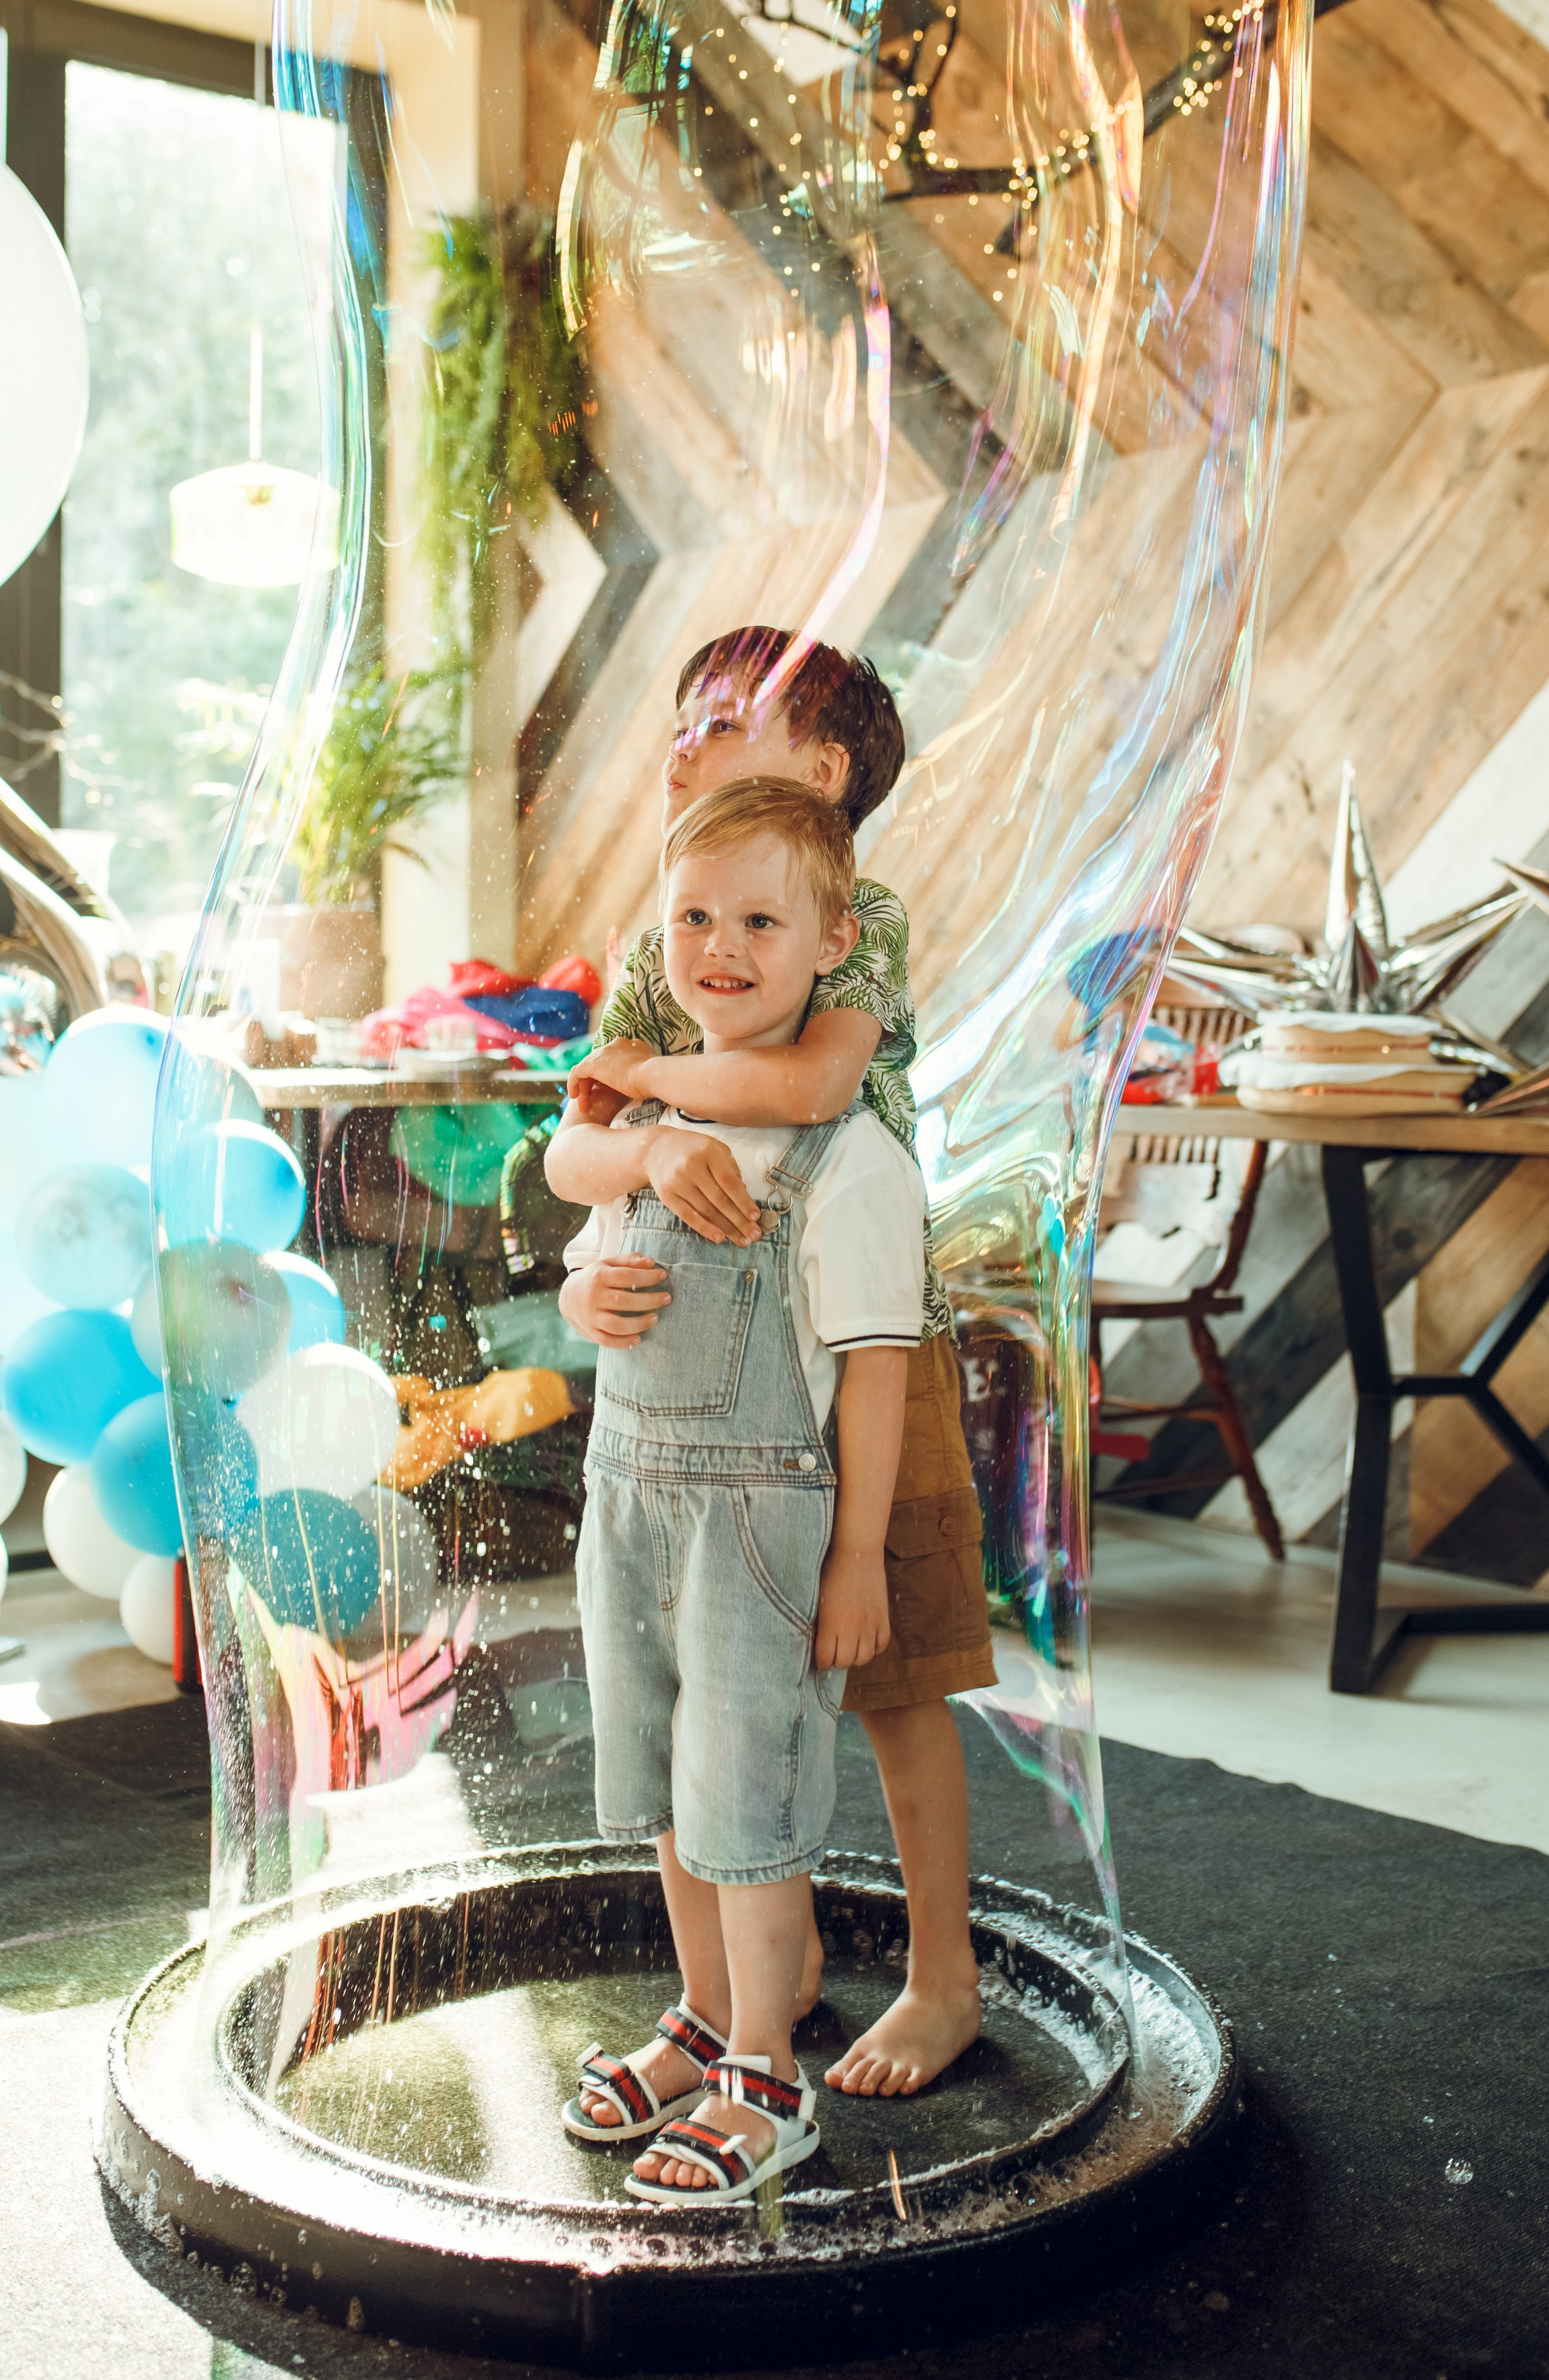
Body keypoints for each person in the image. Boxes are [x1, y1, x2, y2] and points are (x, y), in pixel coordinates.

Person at [548, 625, 997, 2108]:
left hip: (864, 1344)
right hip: (695, 1374)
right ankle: (756, 1986)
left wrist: (649, 1090)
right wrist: (640, 1151)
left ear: (819, 769)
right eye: (679, 718)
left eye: (720, 719)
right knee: (705, 1697)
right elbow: (570, 1152)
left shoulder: (853, 912)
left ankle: (942, 1982)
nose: (681, 740)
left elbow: (808, 1083)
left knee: (889, 1661)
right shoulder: (660, 936)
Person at [559, 779, 925, 2201]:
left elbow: (875, 1370)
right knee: (666, 1790)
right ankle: (706, 2015)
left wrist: (855, 1566)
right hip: (630, 1507)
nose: (719, 944)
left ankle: (766, 2069)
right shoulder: (641, 1118)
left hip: (760, 1530)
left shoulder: (848, 1158)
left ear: (831, 939)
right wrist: (587, 1291)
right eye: (691, 917)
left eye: (759, 919)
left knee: (748, 1806)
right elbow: (588, 1258)